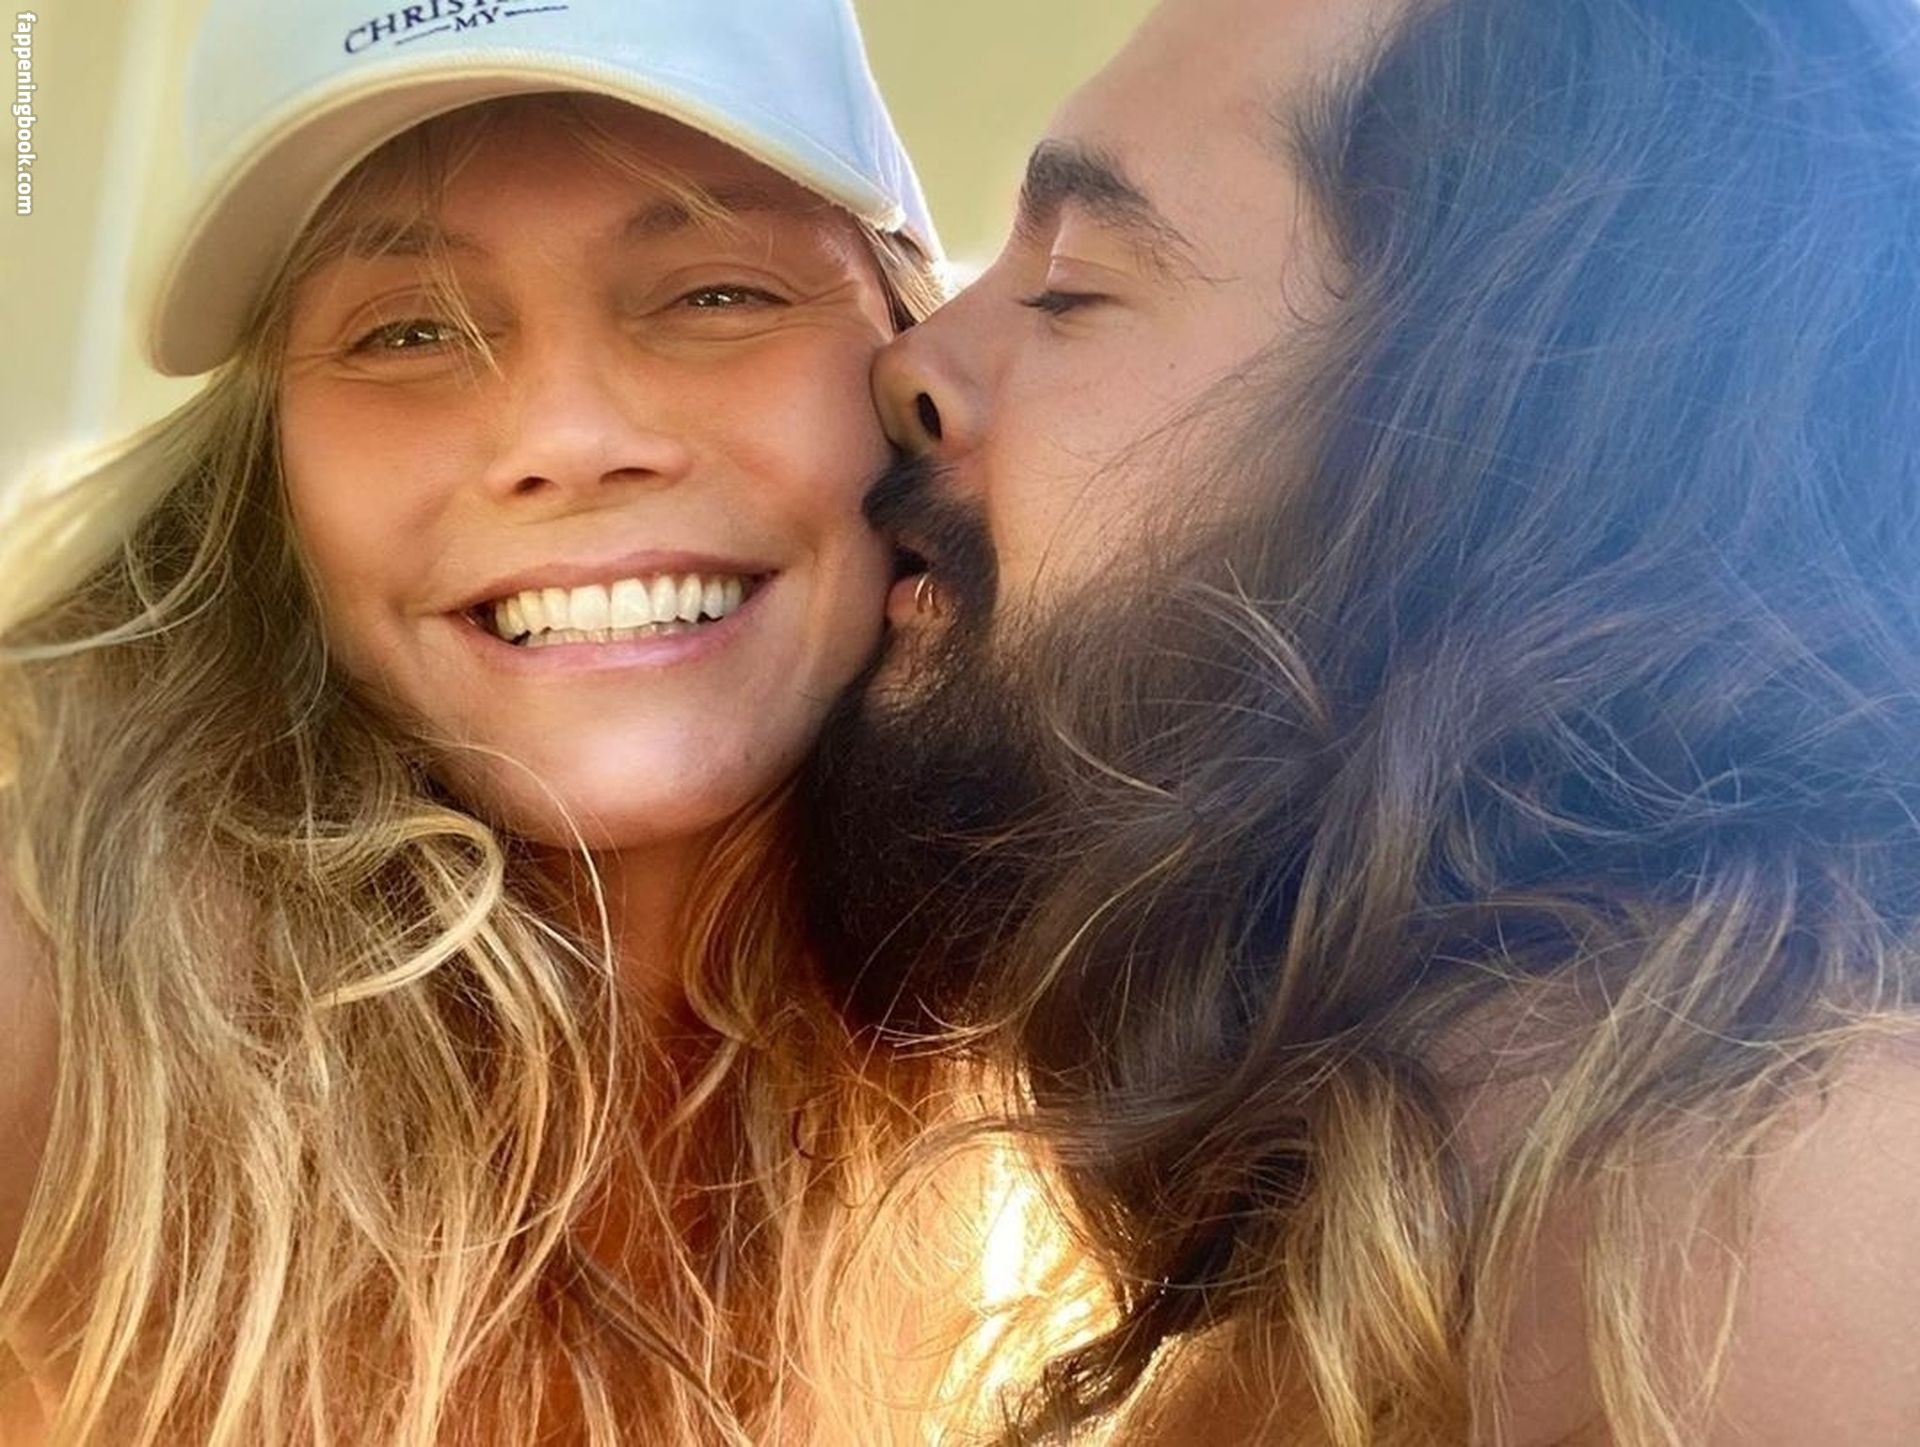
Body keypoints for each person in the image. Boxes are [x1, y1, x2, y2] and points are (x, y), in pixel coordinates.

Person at [805, 0, 1920, 1440]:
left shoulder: (1789, 1232)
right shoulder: (1390, 1240)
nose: (909, 359)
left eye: (1073, 286)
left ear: (1495, 440)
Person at [0, 0, 1010, 1441]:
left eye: (715, 295)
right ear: (270, 477)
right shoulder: (53, 1005)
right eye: (406, 330)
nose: (569, 440)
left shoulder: (1106, 1052)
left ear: (909, 369)